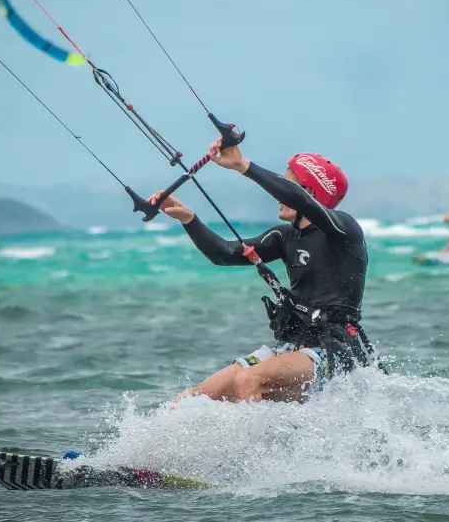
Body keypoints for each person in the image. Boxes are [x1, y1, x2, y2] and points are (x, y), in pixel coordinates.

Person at [148, 142, 380, 403]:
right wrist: (188, 220)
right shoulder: (285, 236)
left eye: (287, 183)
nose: (278, 195)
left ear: (309, 192)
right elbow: (223, 254)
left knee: (250, 379)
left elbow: (299, 199)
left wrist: (244, 166)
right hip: (291, 349)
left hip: (332, 353)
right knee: (194, 398)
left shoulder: (344, 230)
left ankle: (257, 444)